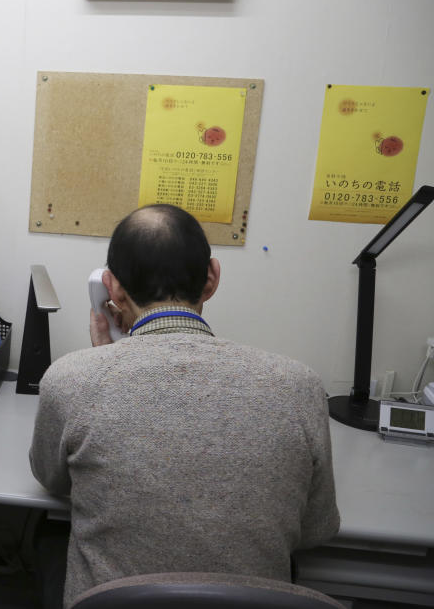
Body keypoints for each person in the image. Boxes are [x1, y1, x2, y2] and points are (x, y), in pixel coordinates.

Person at [29, 204, 340, 609]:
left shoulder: (71, 379)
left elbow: (52, 481)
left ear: (112, 289)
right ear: (211, 279)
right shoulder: (300, 385)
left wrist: (99, 365)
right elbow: (317, 529)